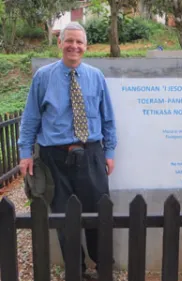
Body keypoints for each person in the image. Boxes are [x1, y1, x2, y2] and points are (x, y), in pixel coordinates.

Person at [17, 22, 117, 280]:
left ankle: (101, 267)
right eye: (69, 41)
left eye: (80, 42)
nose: (74, 46)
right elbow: (30, 118)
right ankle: (76, 270)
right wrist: (26, 153)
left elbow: (108, 119)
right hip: (54, 159)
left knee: (98, 213)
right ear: (60, 43)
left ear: (86, 46)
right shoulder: (43, 77)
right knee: (63, 217)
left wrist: (110, 151)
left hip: (92, 154)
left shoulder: (96, 76)